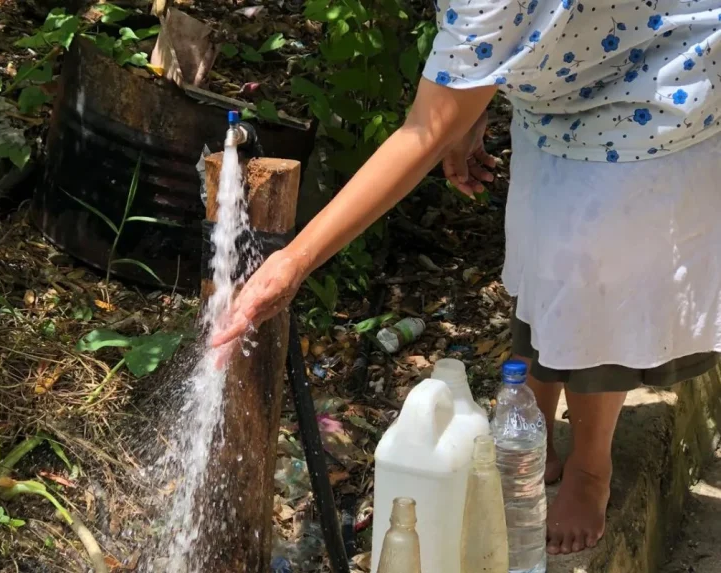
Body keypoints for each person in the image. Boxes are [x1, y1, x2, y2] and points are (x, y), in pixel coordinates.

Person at [212, 0, 721, 557]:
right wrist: (472, 105)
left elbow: (424, 130)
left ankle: (591, 465)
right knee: (544, 255)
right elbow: (501, 42)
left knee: (598, 281)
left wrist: (293, 261)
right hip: (565, 79)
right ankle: (535, 430)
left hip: (656, 86)